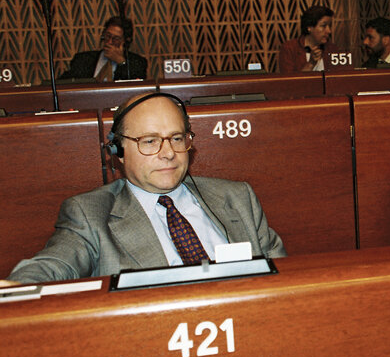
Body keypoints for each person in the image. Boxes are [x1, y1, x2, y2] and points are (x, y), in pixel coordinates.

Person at [4, 92, 285, 284]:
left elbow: (284, 276)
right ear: (119, 150)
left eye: (176, 138)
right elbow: (54, 264)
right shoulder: (90, 214)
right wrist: (18, 289)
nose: (168, 153)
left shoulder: (237, 197)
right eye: (149, 141)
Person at [59, 16, 148, 81]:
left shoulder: (138, 63)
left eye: (115, 39)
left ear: (126, 41)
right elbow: (64, 83)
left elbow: (135, 86)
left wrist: (121, 62)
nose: (109, 42)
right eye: (107, 36)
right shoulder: (83, 59)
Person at [278, 5, 340, 73]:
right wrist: (311, 63)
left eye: (329, 26)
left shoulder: (332, 48)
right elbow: (289, 81)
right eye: (323, 26)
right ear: (309, 27)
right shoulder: (290, 48)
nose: (329, 31)